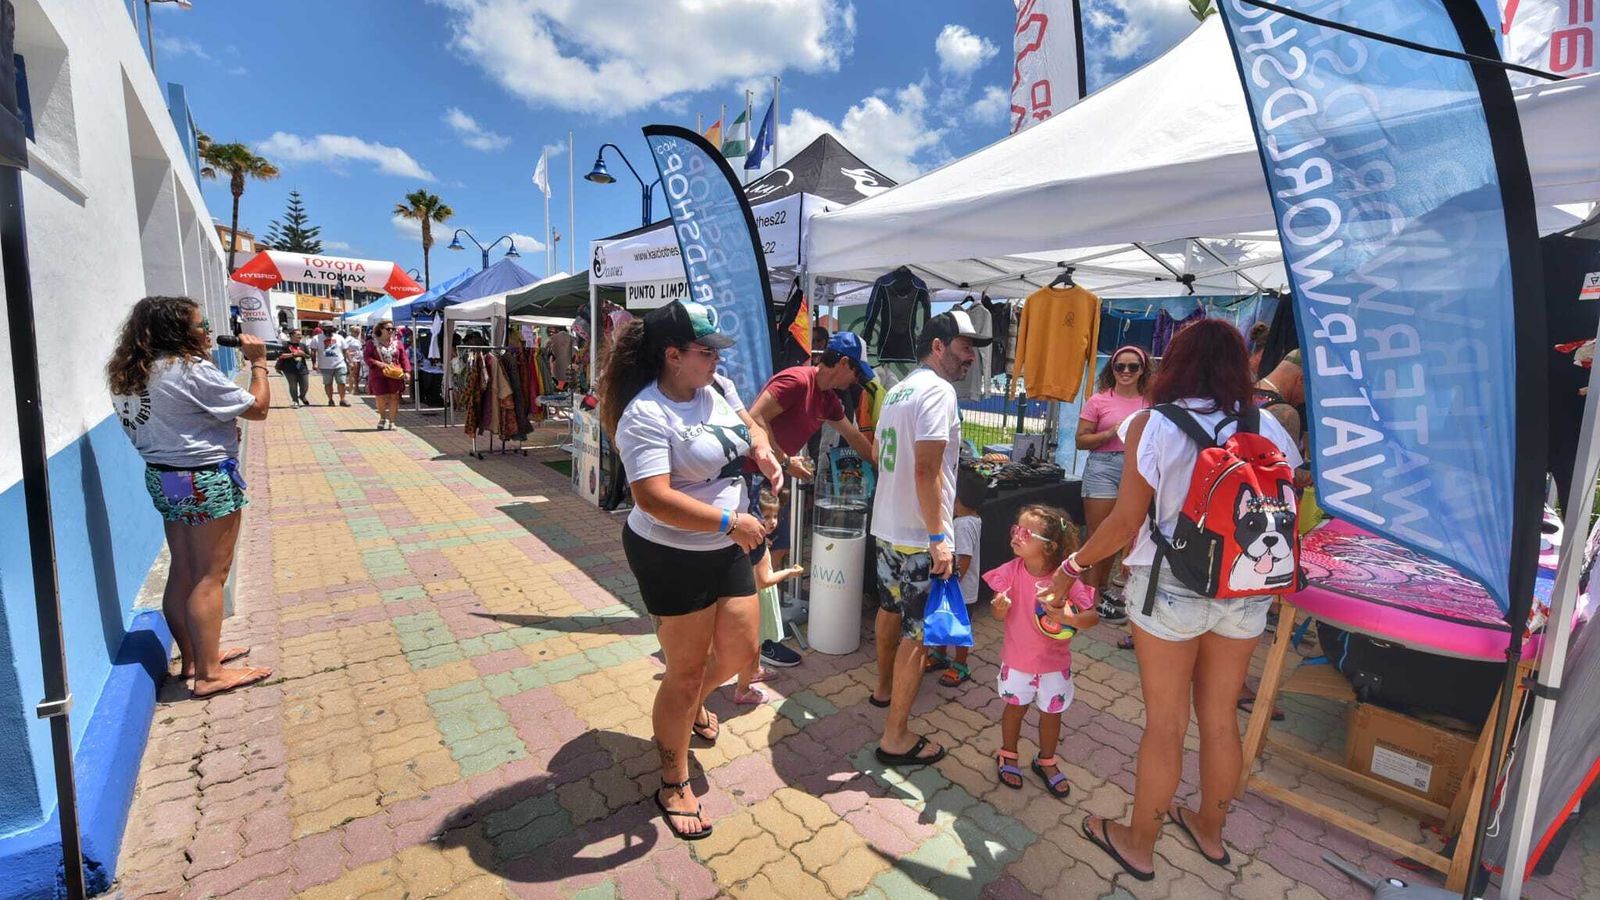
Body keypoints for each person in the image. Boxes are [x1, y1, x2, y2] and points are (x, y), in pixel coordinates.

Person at [1045, 319, 1303, 881]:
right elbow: (1291, 494)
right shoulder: (1268, 426)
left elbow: (1124, 523)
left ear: (1175, 364)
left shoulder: (1152, 425)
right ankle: (1210, 832)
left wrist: (1070, 569)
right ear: (1239, 366)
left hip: (1171, 588)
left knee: (1166, 725)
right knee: (1219, 720)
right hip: (1244, 588)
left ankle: (1139, 843)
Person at [600, 300, 783, 841]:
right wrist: (730, 522)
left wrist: (766, 451)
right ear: (673, 356)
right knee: (684, 669)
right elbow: (653, 499)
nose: (715, 361)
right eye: (706, 352)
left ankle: (691, 707)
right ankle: (673, 778)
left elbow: (751, 426)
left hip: (726, 539)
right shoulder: (646, 414)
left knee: (740, 649)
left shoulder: (718, 389)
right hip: (671, 551)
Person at [107, 296, 274, 698]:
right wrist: (259, 363)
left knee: (183, 569)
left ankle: (196, 659)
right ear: (177, 332)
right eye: (200, 326)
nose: (207, 332)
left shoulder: (132, 373)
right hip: (204, 478)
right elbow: (258, 408)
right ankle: (211, 675)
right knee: (210, 575)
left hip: (164, 476)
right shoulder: (189, 369)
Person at [868, 310, 991, 767]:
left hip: (887, 525)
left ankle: (883, 690)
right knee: (918, 634)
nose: (971, 359)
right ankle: (895, 736)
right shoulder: (938, 391)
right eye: (964, 348)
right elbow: (926, 469)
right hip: (920, 534)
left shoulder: (898, 388)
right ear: (938, 347)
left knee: (888, 608)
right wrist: (939, 535)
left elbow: (880, 454)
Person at [744, 331, 879, 668]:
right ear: (843, 362)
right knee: (759, 558)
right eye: (857, 373)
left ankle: (759, 634)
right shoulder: (796, 380)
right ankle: (756, 642)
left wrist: (887, 466)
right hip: (755, 475)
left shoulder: (829, 399)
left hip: (776, 479)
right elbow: (754, 418)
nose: (858, 381)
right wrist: (787, 461)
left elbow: (854, 438)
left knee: (774, 553)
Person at [986, 504, 1097, 797]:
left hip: (1054, 664)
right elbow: (998, 616)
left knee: (1052, 714)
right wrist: (999, 608)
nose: (1017, 535)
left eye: (1027, 532)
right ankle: (1008, 753)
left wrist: (1069, 619)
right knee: (1014, 709)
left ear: (1051, 547)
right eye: (1015, 529)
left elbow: (1092, 617)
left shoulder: (1065, 579)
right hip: (1018, 662)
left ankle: (1046, 759)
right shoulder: (1009, 572)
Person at [1076, 346, 1152, 623]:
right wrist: (1111, 432)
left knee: (1119, 533)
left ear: (1143, 370)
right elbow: (1080, 440)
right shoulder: (1098, 400)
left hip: (1136, 468)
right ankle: (1090, 596)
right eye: (1121, 366)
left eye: (1133, 367)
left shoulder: (1150, 402)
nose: (1127, 372)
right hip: (1103, 466)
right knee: (1098, 532)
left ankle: (1102, 588)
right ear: (1112, 369)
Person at [732, 489, 805, 704]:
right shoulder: (760, 544)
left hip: (755, 596)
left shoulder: (753, 539)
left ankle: (753, 671)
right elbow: (765, 580)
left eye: (775, 516)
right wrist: (789, 573)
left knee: (759, 640)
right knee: (752, 644)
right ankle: (743, 689)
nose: (772, 522)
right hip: (757, 598)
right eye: (766, 516)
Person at [924, 470, 984, 688]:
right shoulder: (970, 519)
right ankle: (940, 655)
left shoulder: (963, 525)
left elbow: (965, 558)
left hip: (960, 590)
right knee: (943, 620)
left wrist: (954, 582)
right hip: (953, 584)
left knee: (959, 626)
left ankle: (961, 664)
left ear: (957, 499)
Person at [364, 321, 412, 431]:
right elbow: (367, 357)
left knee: (394, 397)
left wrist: (407, 371)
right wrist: (377, 363)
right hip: (378, 374)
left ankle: (392, 422)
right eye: (388, 329)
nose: (391, 331)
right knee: (380, 397)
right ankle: (382, 418)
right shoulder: (372, 343)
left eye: (392, 329)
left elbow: (403, 358)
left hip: (394, 374)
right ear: (380, 329)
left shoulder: (398, 343)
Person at [306, 326, 352, 407]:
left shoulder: (339, 337)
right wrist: (314, 363)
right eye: (328, 331)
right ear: (323, 330)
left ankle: (342, 399)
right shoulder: (316, 338)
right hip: (325, 365)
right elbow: (313, 352)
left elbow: (346, 350)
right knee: (328, 383)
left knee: (342, 382)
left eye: (331, 331)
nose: (330, 333)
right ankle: (330, 400)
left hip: (339, 364)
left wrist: (350, 361)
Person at [274, 329, 311, 408]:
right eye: (297, 335)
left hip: (302, 368)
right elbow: (281, 355)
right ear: (291, 336)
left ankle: (302, 396)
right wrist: (294, 354)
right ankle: (295, 401)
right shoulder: (285, 344)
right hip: (289, 369)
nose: (300, 336)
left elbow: (308, 356)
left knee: (305, 386)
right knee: (293, 386)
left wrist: (303, 354)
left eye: (300, 335)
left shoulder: (302, 345)